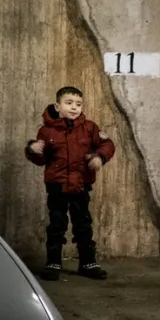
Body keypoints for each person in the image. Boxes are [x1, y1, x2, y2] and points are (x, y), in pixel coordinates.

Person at [24, 85, 116, 282]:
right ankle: (53, 262)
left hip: (81, 185)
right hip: (56, 186)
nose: (74, 107)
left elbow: (107, 144)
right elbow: (42, 160)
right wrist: (33, 149)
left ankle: (87, 262)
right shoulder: (46, 131)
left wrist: (100, 156)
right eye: (69, 103)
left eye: (78, 104)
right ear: (58, 106)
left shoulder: (90, 128)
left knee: (83, 224)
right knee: (57, 224)